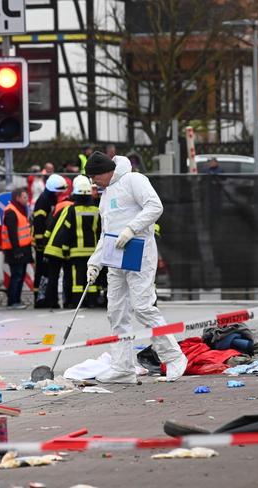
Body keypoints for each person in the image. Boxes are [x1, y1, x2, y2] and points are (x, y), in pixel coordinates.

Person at [85, 151, 187, 383]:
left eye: (94, 177)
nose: (94, 183)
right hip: (115, 257)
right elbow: (105, 233)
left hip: (139, 252)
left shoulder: (134, 180)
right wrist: (95, 262)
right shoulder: (105, 194)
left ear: (105, 171)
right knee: (116, 312)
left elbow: (155, 206)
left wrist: (131, 229)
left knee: (143, 307)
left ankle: (174, 357)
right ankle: (123, 366)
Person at [60, 175, 101, 308]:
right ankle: (92, 302)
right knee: (92, 277)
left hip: (76, 251)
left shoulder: (72, 210)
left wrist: (65, 248)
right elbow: (100, 230)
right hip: (92, 250)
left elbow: (67, 230)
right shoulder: (96, 210)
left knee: (77, 279)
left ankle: (78, 302)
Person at [31, 174, 69, 305]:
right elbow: (39, 224)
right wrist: (40, 243)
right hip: (42, 243)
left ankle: (45, 297)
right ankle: (39, 298)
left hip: (47, 242)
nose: (60, 194)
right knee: (41, 271)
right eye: (58, 191)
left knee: (46, 271)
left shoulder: (51, 199)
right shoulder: (43, 202)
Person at [1, 188, 33, 310]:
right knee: (17, 275)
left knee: (20, 275)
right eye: (24, 197)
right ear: (17, 198)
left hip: (22, 249)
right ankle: (12, 301)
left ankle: (17, 300)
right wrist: (17, 250)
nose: (27, 200)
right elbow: (12, 233)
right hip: (15, 250)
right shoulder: (11, 211)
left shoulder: (19, 209)